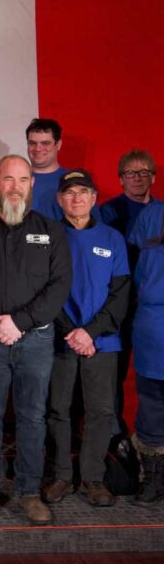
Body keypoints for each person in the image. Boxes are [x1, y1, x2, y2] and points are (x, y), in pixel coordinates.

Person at [0, 155, 71, 526]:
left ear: (31, 185)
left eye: (23, 180)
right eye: (8, 179)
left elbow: (59, 288)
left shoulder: (51, 232)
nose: (15, 187)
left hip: (36, 341)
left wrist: (19, 323)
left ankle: (28, 491)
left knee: (32, 417)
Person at [44, 170, 130, 507]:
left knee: (100, 411)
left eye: (83, 192)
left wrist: (89, 332)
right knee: (58, 409)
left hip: (102, 342)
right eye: (69, 193)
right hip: (61, 340)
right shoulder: (50, 236)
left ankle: (93, 478)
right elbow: (46, 292)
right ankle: (62, 475)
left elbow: (121, 293)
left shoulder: (112, 239)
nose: (76, 198)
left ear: (94, 198)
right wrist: (71, 332)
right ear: (59, 199)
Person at [101, 150, 160, 439]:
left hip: (152, 310)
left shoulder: (161, 212)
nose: (137, 178)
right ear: (121, 178)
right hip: (120, 304)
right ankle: (116, 440)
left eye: (144, 172)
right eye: (131, 173)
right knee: (115, 374)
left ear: (154, 177)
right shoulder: (108, 212)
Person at [131, 221, 164, 507]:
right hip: (153, 344)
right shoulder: (151, 252)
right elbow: (140, 291)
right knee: (151, 411)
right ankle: (153, 478)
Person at [25, 118, 100, 223]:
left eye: (45, 143)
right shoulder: (14, 181)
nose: (37, 148)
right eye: (32, 143)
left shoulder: (76, 182)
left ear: (58, 144)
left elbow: (93, 228)